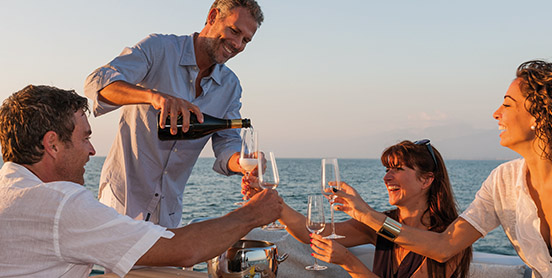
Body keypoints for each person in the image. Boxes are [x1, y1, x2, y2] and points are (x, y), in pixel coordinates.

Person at [331, 61, 552, 278]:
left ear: (540, 116)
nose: (496, 113)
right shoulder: (503, 182)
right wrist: (367, 216)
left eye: (507, 104)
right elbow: (442, 247)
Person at [0, 85, 283, 277]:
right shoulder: (61, 204)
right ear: (52, 144)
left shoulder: (11, 188)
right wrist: (252, 214)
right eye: (85, 137)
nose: (92, 150)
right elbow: (184, 250)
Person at [83, 0, 264, 228]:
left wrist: (243, 162)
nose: (237, 44)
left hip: (169, 215)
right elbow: (97, 84)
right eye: (234, 31)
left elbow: (227, 144)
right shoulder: (159, 48)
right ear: (212, 16)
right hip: (121, 206)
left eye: (246, 40)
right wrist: (153, 97)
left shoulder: (230, 86)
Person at [244, 140, 472, 277]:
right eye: (386, 169)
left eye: (398, 169)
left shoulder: (450, 239)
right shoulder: (380, 225)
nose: (387, 177)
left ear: (426, 180)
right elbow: (311, 233)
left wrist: (348, 262)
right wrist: (273, 202)